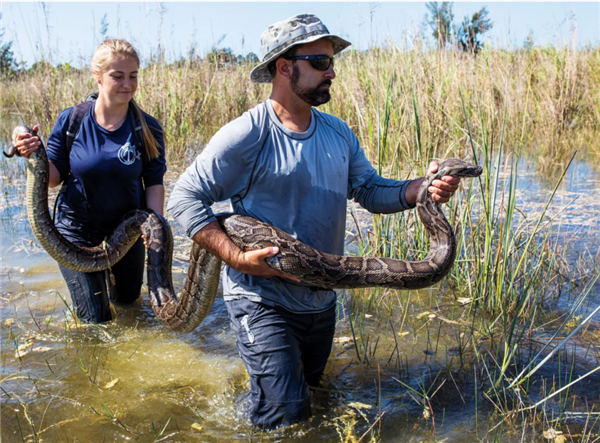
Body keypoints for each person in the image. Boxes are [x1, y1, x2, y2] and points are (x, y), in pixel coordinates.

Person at [167, 14, 460, 429]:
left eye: (332, 61)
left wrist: (420, 190)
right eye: (321, 62)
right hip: (260, 298)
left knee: (313, 399)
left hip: (321, 297)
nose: (333, 72)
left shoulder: (338, 133)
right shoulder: (246, 134)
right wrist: (235, 258)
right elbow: (184, 197)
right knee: (286, 417)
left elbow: (370, 190)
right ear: (285, 68)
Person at [13, 39, 167, 324]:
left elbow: (154, 182)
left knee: (129, 306)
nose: (127, 84)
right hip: (76, 233)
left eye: (133, 76)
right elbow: (54, 177)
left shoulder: (147, 127)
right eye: (117, 76)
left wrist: (154, 225)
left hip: (127, 232)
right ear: (98, 76)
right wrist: (33, 153)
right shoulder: (71, 120)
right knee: (97, 320)